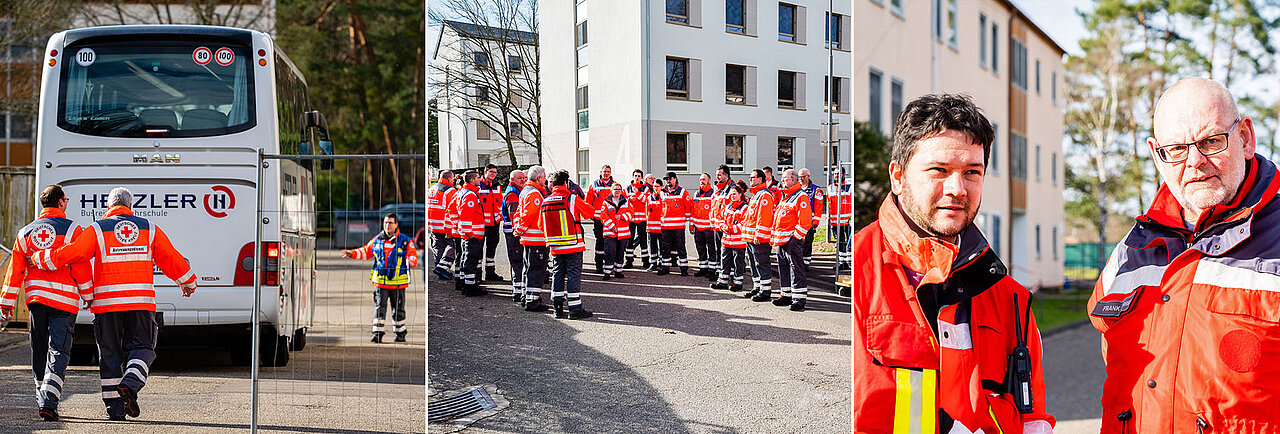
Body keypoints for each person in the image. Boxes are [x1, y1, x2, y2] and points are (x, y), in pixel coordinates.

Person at [1087, 78, 1280, 432]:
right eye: (1176, 148)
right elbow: (1111, 348)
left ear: (1245, 138)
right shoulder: (1131, 249)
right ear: (1156, 154)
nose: (1195, 162)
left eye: (1210, 141)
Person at [853, 94, 1053, 433]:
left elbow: (1033, 420)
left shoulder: (1011, 299)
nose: (957, 188)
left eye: (972, 172)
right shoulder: (859, 274)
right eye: (939, 170)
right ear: (898, 177)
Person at [28, 187, 197, 422]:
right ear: (130, 205)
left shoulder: (97, 229)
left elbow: (75, 253)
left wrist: (41, 258)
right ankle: (131, 383)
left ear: (108, 206)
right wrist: (187, 281)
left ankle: (115, 411)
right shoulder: (149, 228)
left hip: (106, 304)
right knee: (143, 348)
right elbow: (169, 257)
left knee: (109, 355)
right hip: (140, 302)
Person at [1, 185, 93, 421]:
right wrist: (87, 294)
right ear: (61, 202)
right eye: (67, 200)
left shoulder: (25, 233)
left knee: (39, 348)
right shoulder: (73, 229)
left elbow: (15, 271)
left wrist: (6, 303)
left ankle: (42, 394)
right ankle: (49, 401)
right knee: (59, 350)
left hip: (36, 300)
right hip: (63, 301)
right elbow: (80, 264)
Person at [343, 213, 419, 342]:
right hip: (380, 283)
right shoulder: (377, 239)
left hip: (398, 284)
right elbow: (366, 251)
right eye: (385, 222)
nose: (387, 225)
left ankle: (400, 335)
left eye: (390, 223)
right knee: (379, 309)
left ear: (396, 225)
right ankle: (377, 334)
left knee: (398, 310)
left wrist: (411, 262)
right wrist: (351, 253)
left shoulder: (405, 241)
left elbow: (412, 256)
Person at [540, 170, 595, 319]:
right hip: (573, 245)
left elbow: (541, 225)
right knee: (573, 276)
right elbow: (589, 213)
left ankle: (557, 309)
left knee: (557, 275)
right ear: (566, 183)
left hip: (555, 247)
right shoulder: (572, 198)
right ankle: (575, 309)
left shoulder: (545, 201)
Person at [769, 169, 813, 311]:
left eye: (785, 178)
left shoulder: (801, 196)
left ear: (793, 179)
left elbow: (805, 221)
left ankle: (799, 298)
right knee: (783, 268)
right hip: (781, 240)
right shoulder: (786, 196)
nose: (782, 181)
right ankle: (786, 294)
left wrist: (796, 238)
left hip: (792, 240)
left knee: (796, 268)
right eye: (782, 178)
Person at [514, 165, 551, 311]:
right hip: (535, 238)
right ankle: (533, 301)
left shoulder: (526, 191)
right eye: (544, 176)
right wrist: (521, 229)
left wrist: (519, 229)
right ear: (539, 178)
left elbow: (518, 213)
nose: (546, 179)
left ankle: (526, 296)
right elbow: (528, 216)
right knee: (536, 269)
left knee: (528, 268)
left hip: (528, 238)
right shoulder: (534, 194)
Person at [742, 169, 777, 301]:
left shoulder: (764, 195)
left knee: (761, 263)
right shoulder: (756, 195)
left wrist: (759, 235)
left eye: (752, 178)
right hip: (751, 237)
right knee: (753, 263)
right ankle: (757, 287)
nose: (750, 180)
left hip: (759, 239)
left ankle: (765, 291)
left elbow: (764, 217)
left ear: (760, 179)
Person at [710, 181, 749, 292]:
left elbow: (743, 224)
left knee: (738, 263)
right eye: (731, 194)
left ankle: (737, 284)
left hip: (738, 242)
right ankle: (722, 282)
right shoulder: (727, 207)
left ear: (740, 194)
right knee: (724, 261)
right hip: (726, 240)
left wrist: (730, 228)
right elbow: (721, 219)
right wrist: (722, 226)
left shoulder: (745, 208)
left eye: (734, 194)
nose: (732, 196)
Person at [452, 171, 486, 296]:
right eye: (478, 178)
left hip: (468, 233)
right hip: (473, 234)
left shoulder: (461, 192)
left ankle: (464, 283)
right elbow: (466, 215)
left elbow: (452, 209)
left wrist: (457, 226)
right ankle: (470, 287)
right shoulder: (470, 195)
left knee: (465, 258)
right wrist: (468, 232)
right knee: (471, 260)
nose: (480, 179)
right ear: (472, 180)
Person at [501, 169, 528, 302]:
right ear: (512, 180)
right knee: (517, 261)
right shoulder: (512, 193)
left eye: (523, 178)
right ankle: (517, 291)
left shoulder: (517, 190)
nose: (523, 180)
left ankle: (519, 289)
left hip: (514, 231)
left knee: (518, 261)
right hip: (513, 232)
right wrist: (520, 231)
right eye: (519, 178)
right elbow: (513, 216)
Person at [658, 172, 693, 276]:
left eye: (670, 179)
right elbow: (660, 208)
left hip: (678, 226)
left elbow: (688, 208)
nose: (668, 181)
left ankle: (683, 268)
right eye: (666, 179)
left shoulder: (682, 192)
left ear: (675, 179)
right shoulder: (662, 192)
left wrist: (684, 221)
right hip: (665, 226)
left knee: (680, 247)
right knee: (665, 248)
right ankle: (665, 267)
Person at [428, 171, 457, 279]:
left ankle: (440, 270)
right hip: (444, 225)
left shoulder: (431, 189)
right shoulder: (450, 191)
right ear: (449, 178)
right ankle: (443, 268)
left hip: (432, 224)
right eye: (452, 179)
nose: (453, 181)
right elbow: (453, 209)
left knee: (438, 247)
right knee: (452, 246)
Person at [478, 164, 505, 281]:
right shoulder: (479, 185)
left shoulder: (497, 185)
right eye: (491, 172)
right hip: (481, 223)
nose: (493, 174)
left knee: (492, 248)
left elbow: (499, 203)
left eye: (495, 172)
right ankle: (477, 274)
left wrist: (499, 217)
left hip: (494, 223)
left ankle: (490, 273)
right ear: (485, 171)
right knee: (478, 249)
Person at [585, 165, 614, 273]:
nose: (606, 173)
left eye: (608, 172)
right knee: (600, 241)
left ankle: (610, 264)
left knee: (611, 241)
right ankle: (599, 264)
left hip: (611, 220)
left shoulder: (614, 185)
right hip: (598, 219)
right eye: (604, 171)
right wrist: (591, 216)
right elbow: (588, 202)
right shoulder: (594, 184)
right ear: (601, 172)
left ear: (610, 173)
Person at [599, 182, 631, 280]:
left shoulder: (626, 201)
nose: (617, 191)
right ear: (611, 190)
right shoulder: (606, 202)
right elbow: (603, 216)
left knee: (620, 252)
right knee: (610, 252)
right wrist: (612, 227)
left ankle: (618, 271)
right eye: (615, 189)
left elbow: (631, 213)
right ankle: (607, 272)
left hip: (623, 233)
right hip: (610, 232)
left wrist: (622, 217)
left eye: (619, 189)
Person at [708, 165, 734, 280]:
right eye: (716, 174)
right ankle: (720, 273)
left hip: (726, 226)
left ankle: (731, 274)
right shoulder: (717, 188)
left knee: (728, 252)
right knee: (719, 250)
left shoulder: (731, 188)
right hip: (717, 226)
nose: (717, 177)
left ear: (726, 175)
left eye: (719, 174)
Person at [798, 168, 825, 269]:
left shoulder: (815, 190)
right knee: (799, 243)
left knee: (808, 243)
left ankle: (806, 263)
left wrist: (816, 222)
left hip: (809, 223)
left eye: (803, 177)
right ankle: (800, 262)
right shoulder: (798, 189)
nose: (801, 179)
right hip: (798, 222)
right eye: (799, 177)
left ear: (808, 176)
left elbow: (819, 208)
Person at [691, 173, 716, 278]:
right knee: (700, 248)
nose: (702, 181)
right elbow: (693, 211)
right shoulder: (696, 194)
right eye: (700, 179)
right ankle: (703, 268)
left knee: (711, 249)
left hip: (709, 227)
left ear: (709, 181)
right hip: (698, 227)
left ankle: (712, 269)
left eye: (704, 179)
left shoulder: (713, 193)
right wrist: (691, 225)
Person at [624, 169, 651, 269]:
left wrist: (638, 194)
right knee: (629, 240)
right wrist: (629, 200)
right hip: (630, 219)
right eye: (635, 175)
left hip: (642, 219)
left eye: (639, 176)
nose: (637, 177)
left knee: (643, 240)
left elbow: (646, 201)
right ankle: (629, 261)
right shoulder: (627, 188)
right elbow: (623, 202)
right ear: (632, 177)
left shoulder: (646, 189)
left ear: (641, 177)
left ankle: (645, 261)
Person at [828, 168, 853, 272]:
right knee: (840, 243)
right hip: (836, 222)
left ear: (843, 174)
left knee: (849, 243)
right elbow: (830, 205)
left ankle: (850, 263)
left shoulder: (849, 187)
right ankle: (842, 263)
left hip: (847, 220)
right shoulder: (830, 188)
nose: (836, 175)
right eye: (835, 174)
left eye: (838, 174)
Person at [644, 173, 664, 271]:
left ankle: (661, 262)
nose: (655, 188)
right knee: (652, 246)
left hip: (661, 227)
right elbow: (646, 212)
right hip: (651, 227)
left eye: (657, 186)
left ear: (661, 187)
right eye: (654, 186)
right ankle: (653, 263)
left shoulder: (664, 197)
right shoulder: (649, 197)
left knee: (662, 245)